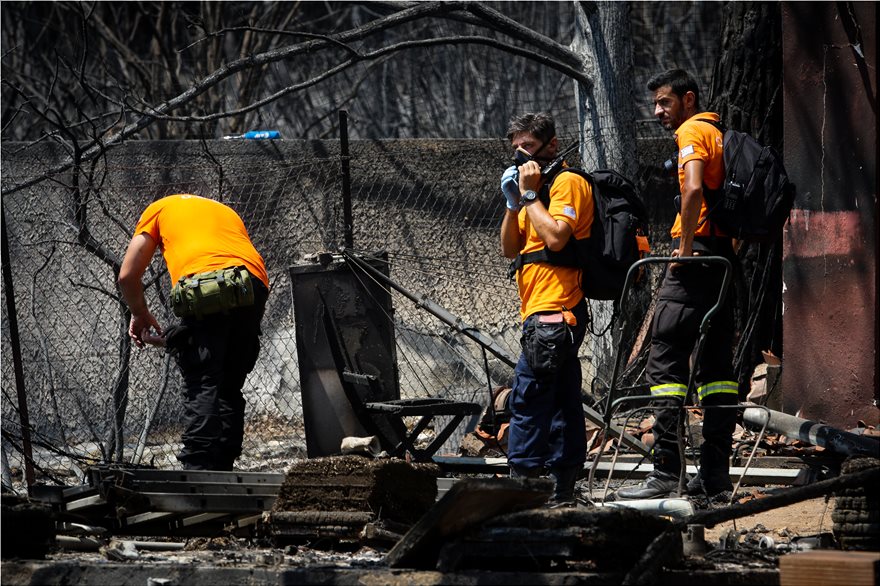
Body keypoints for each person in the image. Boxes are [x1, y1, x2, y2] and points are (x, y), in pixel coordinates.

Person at [616, 69, 738, 501]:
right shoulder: (722, 133)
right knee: (718, 374)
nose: (657, 112)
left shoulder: (691, 130)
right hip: (724, 263)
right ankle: (715, 476)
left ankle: (667, 471)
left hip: (694, 260)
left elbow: (690, 189)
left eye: (664, 102)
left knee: (665, 363)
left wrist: (682, 248)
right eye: (655, 104)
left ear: (688, 99)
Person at [118, 193, 270, 471]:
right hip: (252, 285)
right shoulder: (226, 211)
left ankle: (198, 469)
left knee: (203, 380)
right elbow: (227, 286)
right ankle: (223, 466)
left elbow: (127, 276)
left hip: (205, 282)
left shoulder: (158, 209)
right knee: (228, 384)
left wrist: (139, 313)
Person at [499, 112, 594, 507]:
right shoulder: (530, 193)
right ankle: (563, 490)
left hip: (557, 311)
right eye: (516, 150)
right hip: (538, 311)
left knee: (528, 401)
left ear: (552, 146)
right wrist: (512, 203)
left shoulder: (567, 184)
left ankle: (522, 488)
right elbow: (510, 249)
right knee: (562, 402)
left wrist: (532, 195)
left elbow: (556, 238)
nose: (522, 158)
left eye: (530, 149)